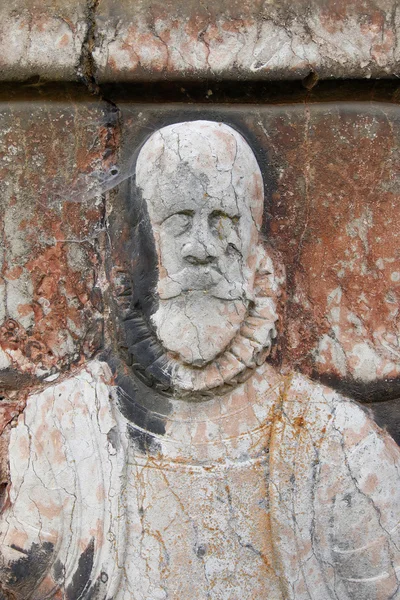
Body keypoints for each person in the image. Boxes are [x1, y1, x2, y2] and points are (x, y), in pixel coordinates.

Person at [1, 120, 399, 600]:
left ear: (257, 257)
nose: (200, 248)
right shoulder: (62, 429)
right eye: (177, 220)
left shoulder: (337, 442)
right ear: (130, 254)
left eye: (224, 221)